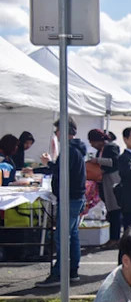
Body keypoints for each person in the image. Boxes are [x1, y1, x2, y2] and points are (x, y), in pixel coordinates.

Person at [35, 118, 87, 287]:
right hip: (75, 196)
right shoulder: (76, 149)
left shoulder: (69, 150)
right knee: (72, 236)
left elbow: (60, 170)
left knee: (62, 236)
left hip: (70, 197)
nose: (56, 135)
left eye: (57, 131)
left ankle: (59, 274)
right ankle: (72, 271)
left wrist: (47, 162)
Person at [90, 129, 122, 247]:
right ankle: (113, 237)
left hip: (112, 181)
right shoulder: (101, 150)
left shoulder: (111, 147)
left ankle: (115, 238)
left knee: (114, 210)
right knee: (111, 210)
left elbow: (114, 162)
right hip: (104, 181)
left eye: (92, 142)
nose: (92, 145)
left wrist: (97, 160)